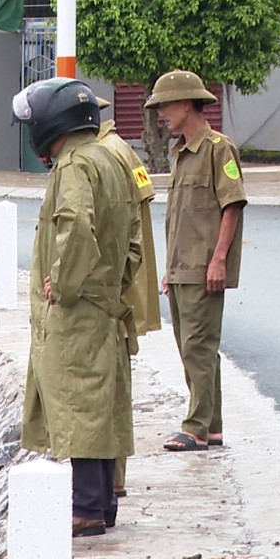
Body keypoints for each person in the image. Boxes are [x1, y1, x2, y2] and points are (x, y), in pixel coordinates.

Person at [12, 78, 141, 537]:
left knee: (80, 403)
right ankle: (103, 503)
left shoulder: (74, 165)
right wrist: (113, 285)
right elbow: (134, 240)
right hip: (104, 301)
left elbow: (76, 226)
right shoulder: (111, 157)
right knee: (100, 402)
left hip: (78, 307)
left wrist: (63, 285)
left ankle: (86, 509)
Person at [144, 70, 247, 453]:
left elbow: (231, 206)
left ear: (187, 103)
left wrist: (218, 260)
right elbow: (181, 217)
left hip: (205, 268)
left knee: (198, 348)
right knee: (194, 349)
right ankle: (213, 426)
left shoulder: (219, 149)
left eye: (166, 106)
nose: (161, 115)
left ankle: (196, 427)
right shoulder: (180, 153)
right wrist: (170, 270)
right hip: (181, 268)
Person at [97, 98, 161, 501]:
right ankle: (112, 478)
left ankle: (112, 478)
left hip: (115, 291)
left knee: (111, 388)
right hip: (126, 285)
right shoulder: (119, 148)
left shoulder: (107, 153)